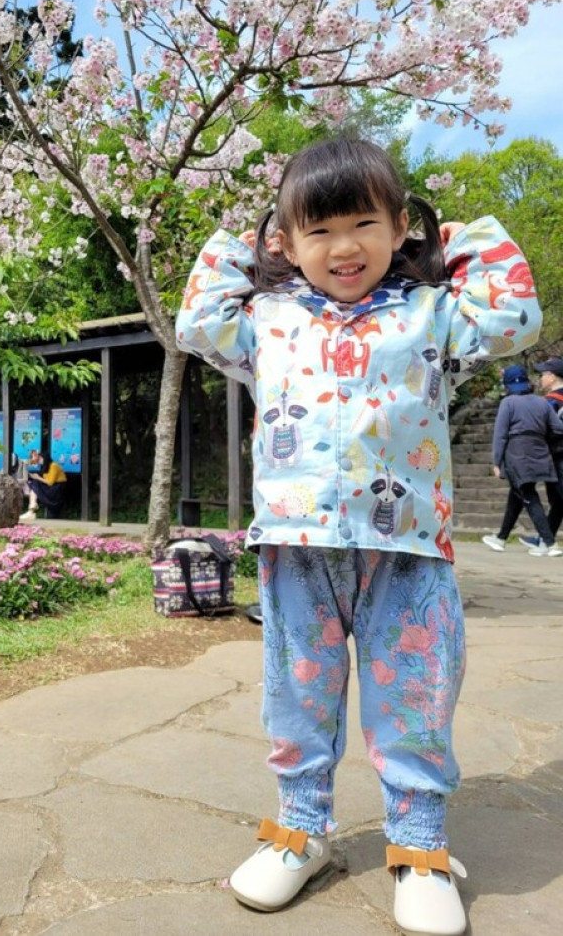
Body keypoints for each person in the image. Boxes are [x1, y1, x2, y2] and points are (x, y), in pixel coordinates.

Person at [175, 137, 542, 936]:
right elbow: (196, 319)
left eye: (364, 223)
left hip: (407, 548)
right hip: (296, 547)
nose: (344, 247)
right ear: (286, 242)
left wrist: (459, 236)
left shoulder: (431, 314)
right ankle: (299, 829)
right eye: (318, 230)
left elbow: (515, 316)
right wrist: (247, 236)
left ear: (399, 225)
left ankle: (418, 844)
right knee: (296, 696)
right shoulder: (266, 320)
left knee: (415, 695)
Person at [481, 365, 563, 556]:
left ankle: (549, 543)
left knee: (527, 495)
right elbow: (558, 428)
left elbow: (500, 435)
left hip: (517, 454)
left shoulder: (508, 403)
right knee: (518, 494)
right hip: (540, 452)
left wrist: (496, 462)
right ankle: (501, 538)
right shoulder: (541, 402)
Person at [512, 357, 563, 550]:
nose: (540, 378)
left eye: (543, 374)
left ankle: (544, 540)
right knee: (558, 501)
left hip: (557, 455)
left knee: (559, 497)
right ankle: (544, 539)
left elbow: (541, 428)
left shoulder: (550, 402)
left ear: (551, 377)